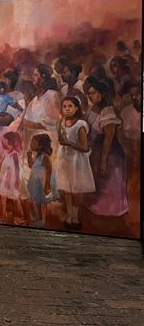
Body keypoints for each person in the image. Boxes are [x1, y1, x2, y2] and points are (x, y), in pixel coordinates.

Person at [83, 78, 127, 217]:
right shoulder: (92, 109)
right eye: (89, 94)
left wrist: (103, 159)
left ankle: (111, 210)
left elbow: (109, 137)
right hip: (95, 149)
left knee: (108, 178)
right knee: (97, 180)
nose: (90, 96)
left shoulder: (108, 110)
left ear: (101, 94)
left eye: (93, 93)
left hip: (109, 152)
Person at [55, 97, 95, 230]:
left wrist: (68, 143)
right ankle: (69, 215)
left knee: (76, 190)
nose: (67, 109)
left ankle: (76, 216)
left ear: (76, 108)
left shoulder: (80, 125)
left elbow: (84, 147)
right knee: (67, 189)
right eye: (64, 106)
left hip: (76, 161)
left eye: (70, 106)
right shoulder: (61, 122)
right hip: (64, 160)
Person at [26, 133, 57, 227]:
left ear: (40, 146)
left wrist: (47, 184)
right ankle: (38, 218)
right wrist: (29, 156)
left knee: (43, 203)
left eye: (33, 142)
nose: (31, 144)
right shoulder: (38, 156)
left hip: (42, 183)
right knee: (36, 201)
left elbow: (49, 169)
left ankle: (43, 220)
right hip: (35, 182)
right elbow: (32, 166)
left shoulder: (45, 157)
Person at [0, 131, 25, 223]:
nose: (4, 144)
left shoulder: (15, 154)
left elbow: (17, 169)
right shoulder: (7, 153)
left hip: (12, 179)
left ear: (11, 143)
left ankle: (20, 217)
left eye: (5, 142)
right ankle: (4, 215)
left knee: (15, 197)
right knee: (3, 196)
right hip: (4, 179)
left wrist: (16, 182)